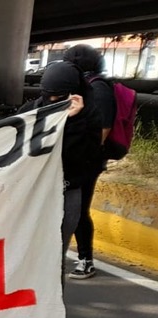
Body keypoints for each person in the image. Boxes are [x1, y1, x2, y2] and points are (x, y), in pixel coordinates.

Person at [17, 62, 98, 283]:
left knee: (55, 257)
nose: (52, 102)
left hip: (67, 193)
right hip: (32, 194)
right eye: (48, 95)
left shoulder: (89, 117)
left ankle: (50, 311)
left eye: (59, 96)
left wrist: (74, 121)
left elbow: (84, 158)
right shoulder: (30, 112)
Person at [63, 44, 116, 280]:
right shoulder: (84, 86)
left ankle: (86, 260)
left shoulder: (99, 88)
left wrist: (86, 152)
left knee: (80, 210)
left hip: (89, 161)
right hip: (79, 158)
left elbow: (103, 128)